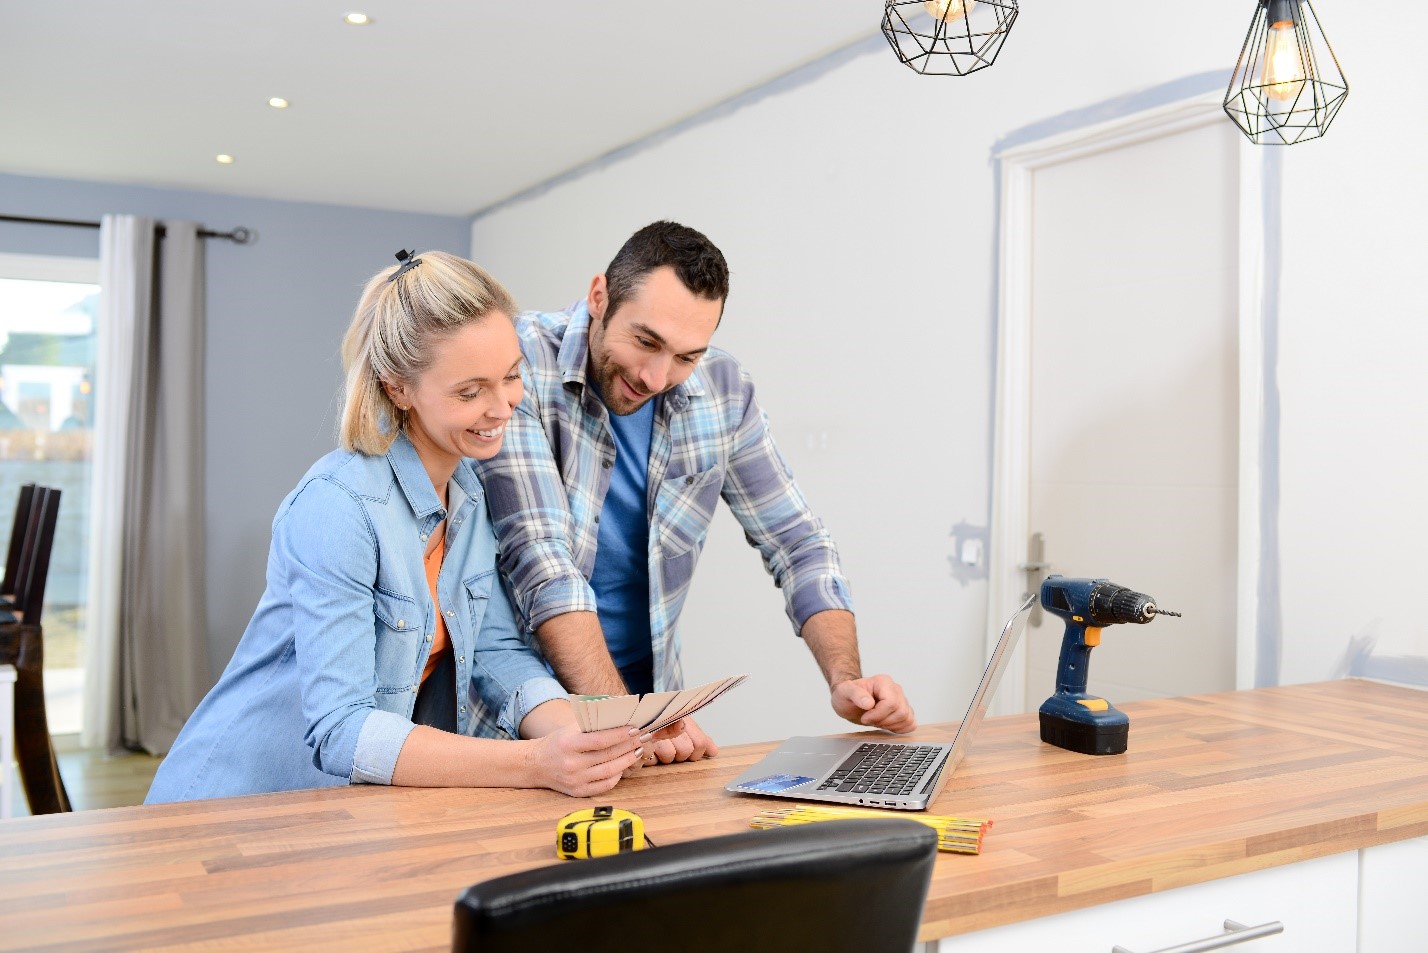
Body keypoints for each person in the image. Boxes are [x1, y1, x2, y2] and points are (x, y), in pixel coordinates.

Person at [147, 250, 664, 804]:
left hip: (336, 815)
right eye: (470, 392)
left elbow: (497, 652)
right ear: (398, 388)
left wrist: (587, 737)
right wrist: (534, 762)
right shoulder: (338, 508)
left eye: (512, 377)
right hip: (228, 805)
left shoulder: (470, 490)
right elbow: (342, 731)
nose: (503, 407)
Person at [475, 222, 916, 767]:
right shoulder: (515, 364)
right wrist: (629, 722)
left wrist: (847, 678)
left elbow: (798, 542)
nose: (657, 376)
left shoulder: (723, 389)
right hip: (519, 722)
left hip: (650, 715)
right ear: (599, 297)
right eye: (645, 342)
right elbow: (542, 563)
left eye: (686, 356)